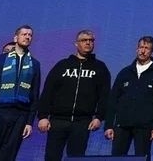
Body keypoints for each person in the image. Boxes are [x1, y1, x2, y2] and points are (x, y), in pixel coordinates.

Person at [35, 29, 111, 161]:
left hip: (82, 122)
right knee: (51, 157)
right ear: (76, 43)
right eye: (84, 40)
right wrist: (42, 116)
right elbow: (48, 91)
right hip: (57, 121)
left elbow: (104, 95)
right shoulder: (62, 65)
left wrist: (99, 117)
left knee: (76, 158)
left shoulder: (100, 67)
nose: (88, 43)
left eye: (91, 40)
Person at [0, 25, 41, 161]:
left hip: (19, 115)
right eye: (24, 34)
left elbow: (34, 94)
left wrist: (29, 122)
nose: (27, 37)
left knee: (8, 155)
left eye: (30, 35)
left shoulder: (34, 64)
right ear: (16, 38)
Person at [105, 35, 153, 158]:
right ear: (137, 49)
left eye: (147, 48)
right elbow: (113, 100)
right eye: (141, 47)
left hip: (145, 127)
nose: (143, 51)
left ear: (152, 52)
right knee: (116, 158)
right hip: (122, 125)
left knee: (142, 158)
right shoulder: (125, 72)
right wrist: (108, 126)